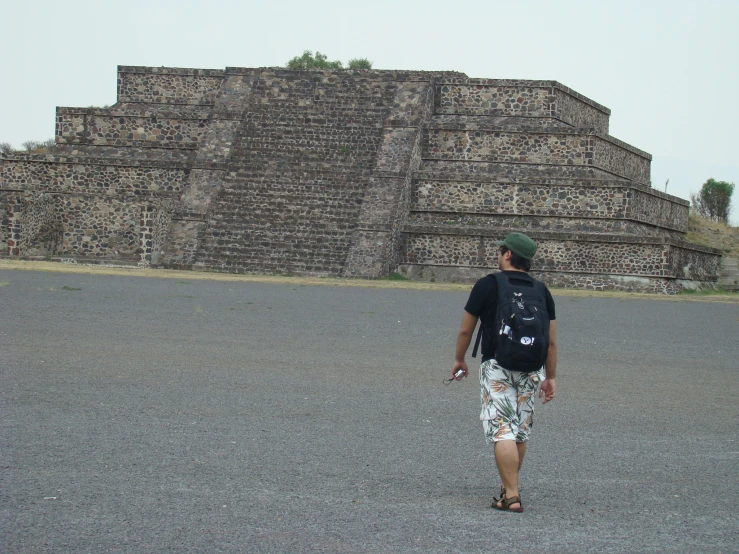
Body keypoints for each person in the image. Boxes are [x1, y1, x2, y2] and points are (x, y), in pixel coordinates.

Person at [451, 232, 557, 513]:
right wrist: (551, 377)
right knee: (519, 431)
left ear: (508, 254)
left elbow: (466, 329)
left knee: (502, 431)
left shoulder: (488, 285)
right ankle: (507, 488)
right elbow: (551, 340)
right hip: (532, 368)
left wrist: (460, 359)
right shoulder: (541, 290)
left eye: (500, 251)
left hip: (497, 365)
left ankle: (511, 495)